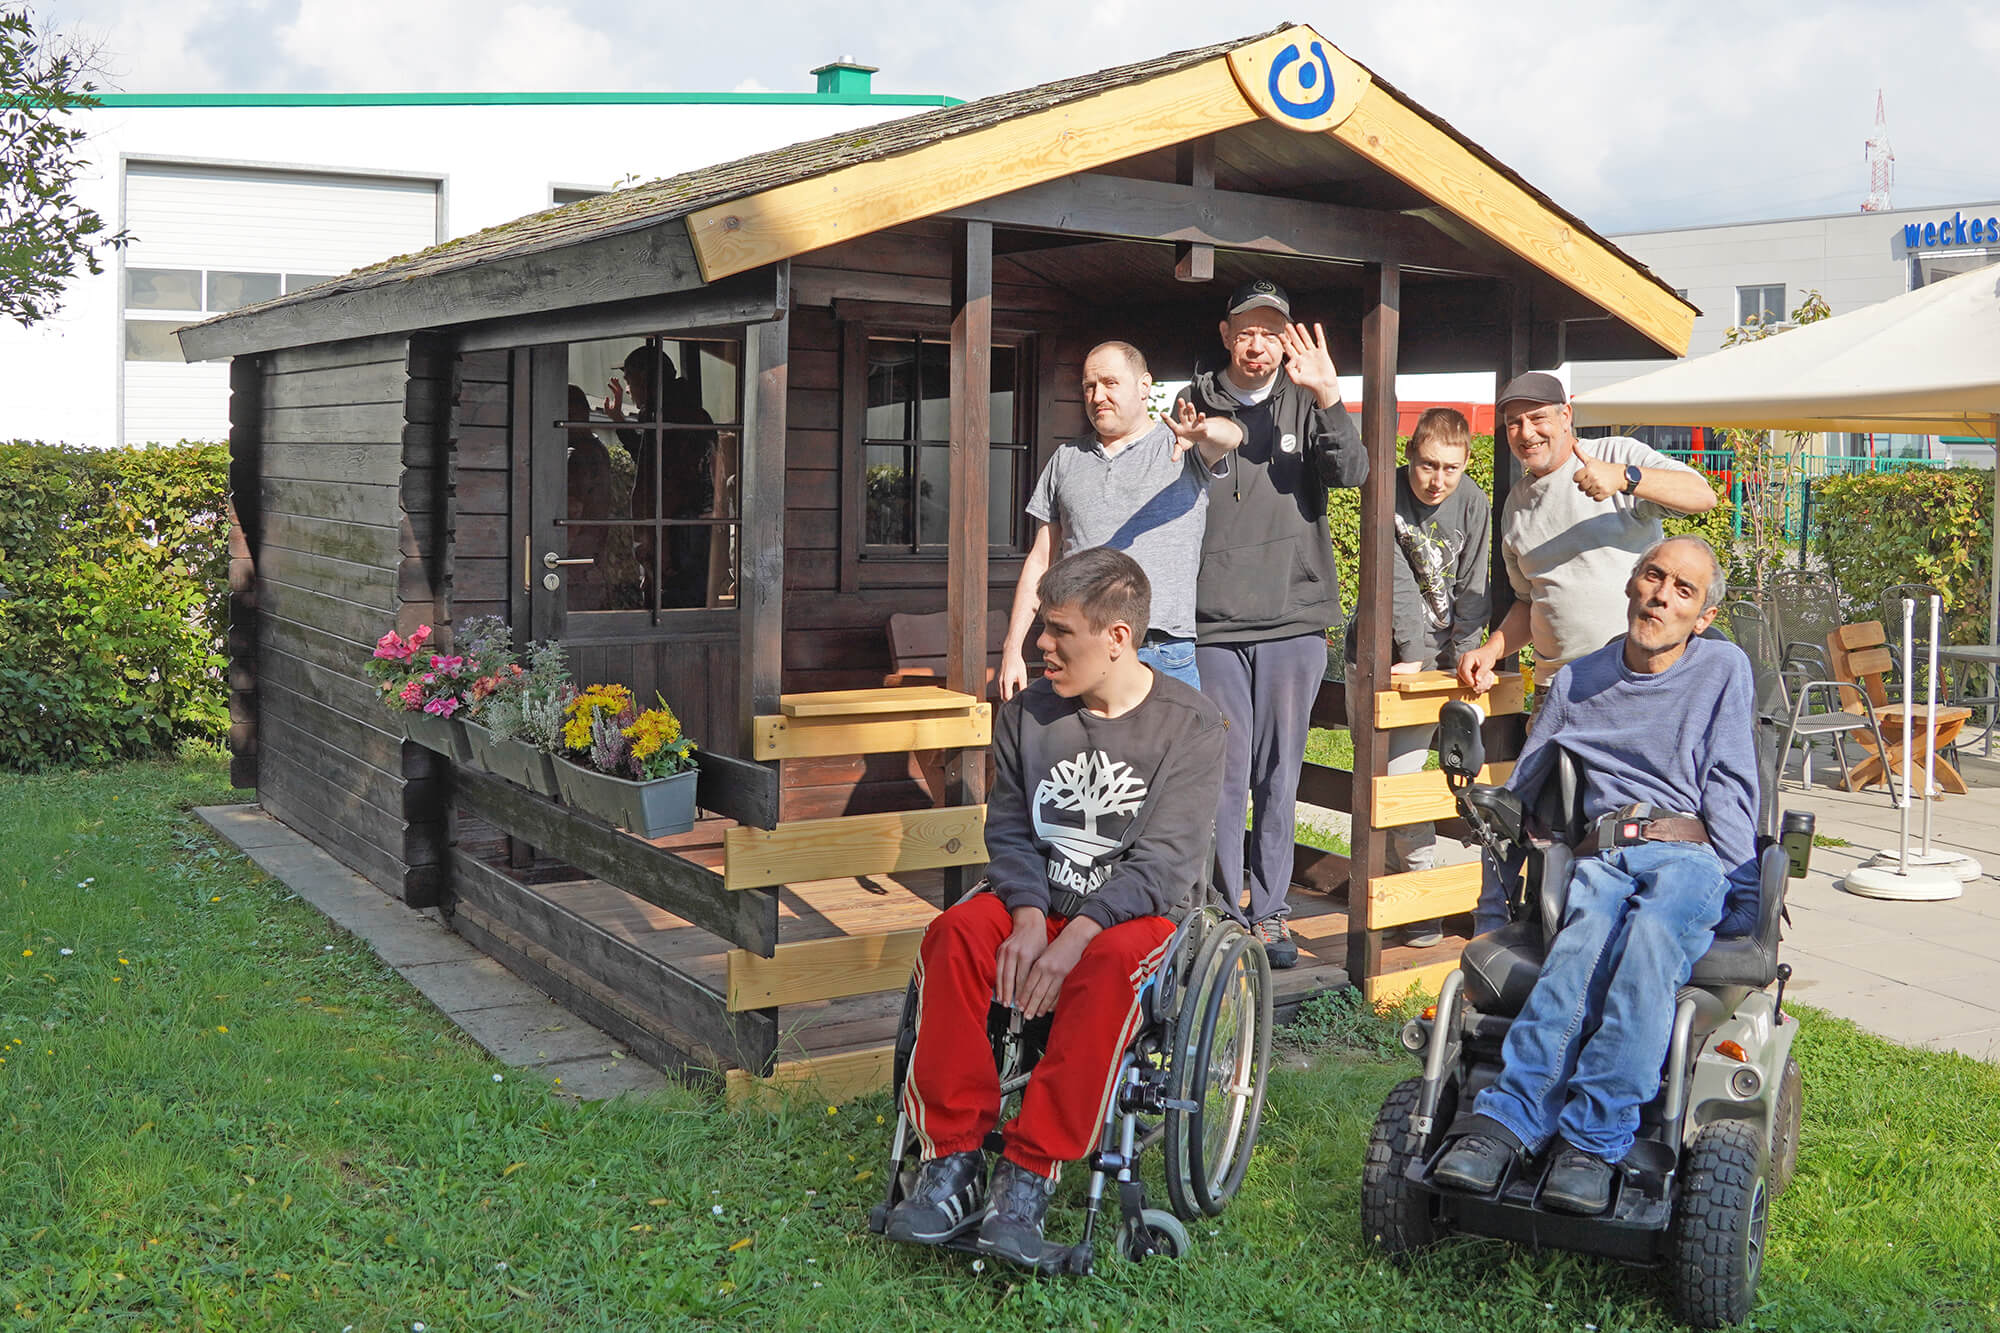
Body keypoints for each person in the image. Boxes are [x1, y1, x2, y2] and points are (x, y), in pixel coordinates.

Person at [885, 547, 1227, 1269]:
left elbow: (1164, 864)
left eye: (1058, 630)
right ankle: (952, 1156)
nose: (1039, 644)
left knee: (1110, 970)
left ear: (1117, 638)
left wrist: (1073, 937)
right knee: (952, 935)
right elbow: (1007, 826)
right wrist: (1032, 916)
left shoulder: (1191, 726)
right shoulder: (1029, 711)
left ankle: (1030, 1169)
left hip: (1133, 918)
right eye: (1041, 625)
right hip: (1035, 899)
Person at [1433, 535, 1760, 1216]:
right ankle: (1510, 1120)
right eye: (1653, 576)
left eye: (1683, 590)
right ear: (1631, 583)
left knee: (1646, 950)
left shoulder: (1722, 667)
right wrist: (1496, 912)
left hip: (1689, 853)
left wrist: (1747, 896)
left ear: (1701, 617)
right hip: (1603, 852)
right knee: (1577, 948)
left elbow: (1730, 782)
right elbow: (1516, 808)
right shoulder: (1579, 680)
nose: (1662, 595)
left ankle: (1593, 1137)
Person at [1174, 279, 1369, 969]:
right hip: (1214, 622)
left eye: (1271, 331)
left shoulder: (1306, 399)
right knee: (1225, 774)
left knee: (1279, 776)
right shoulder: (1193, 401)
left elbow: (1352, 473)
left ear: (1286, 338)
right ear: (1227, 335)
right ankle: (1226, 914)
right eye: (1246, 330)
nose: (1258, 343)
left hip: (1295, 618)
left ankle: (1272, 914)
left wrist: (1331, 396)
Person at [998, 341, 1238, 698]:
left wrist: (1203, 432)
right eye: (1089, 387)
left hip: (1160, 650)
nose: (1098, 396)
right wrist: (1012, 648)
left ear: (1145, 387)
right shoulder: (1065, 460)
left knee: (1168, 753)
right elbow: (1041, 560)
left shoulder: (1180, 447)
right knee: (1082, 755)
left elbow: (1231, 436)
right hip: (1078, 648)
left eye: (1110, 383)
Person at [1457, 372, 1717, 692]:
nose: (1526, 432)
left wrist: (1625, 478)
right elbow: (1530, 602)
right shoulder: (1516, 505)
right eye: (1514, 422)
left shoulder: (1615, 456)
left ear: (1565, 416)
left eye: (1538, 418)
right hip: (1555, 687)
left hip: (1632, 680)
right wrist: (1491, 650)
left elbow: (1702, 495)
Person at [1343, 407, 1489, 948]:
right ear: (1410, 456)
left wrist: (1466, 658)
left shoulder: (1472, 501)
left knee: (1422, 785)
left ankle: (1413, 899)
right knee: (1391, 782)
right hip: (1384, 658)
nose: (1438, 480)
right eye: (1428, 465)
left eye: (1451, 469)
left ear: (1466, 464)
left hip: (1444, 667)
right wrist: (1409, 651)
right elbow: (1394, 583)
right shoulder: (1387, 494)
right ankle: (1408, 896)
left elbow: (1475, 586)